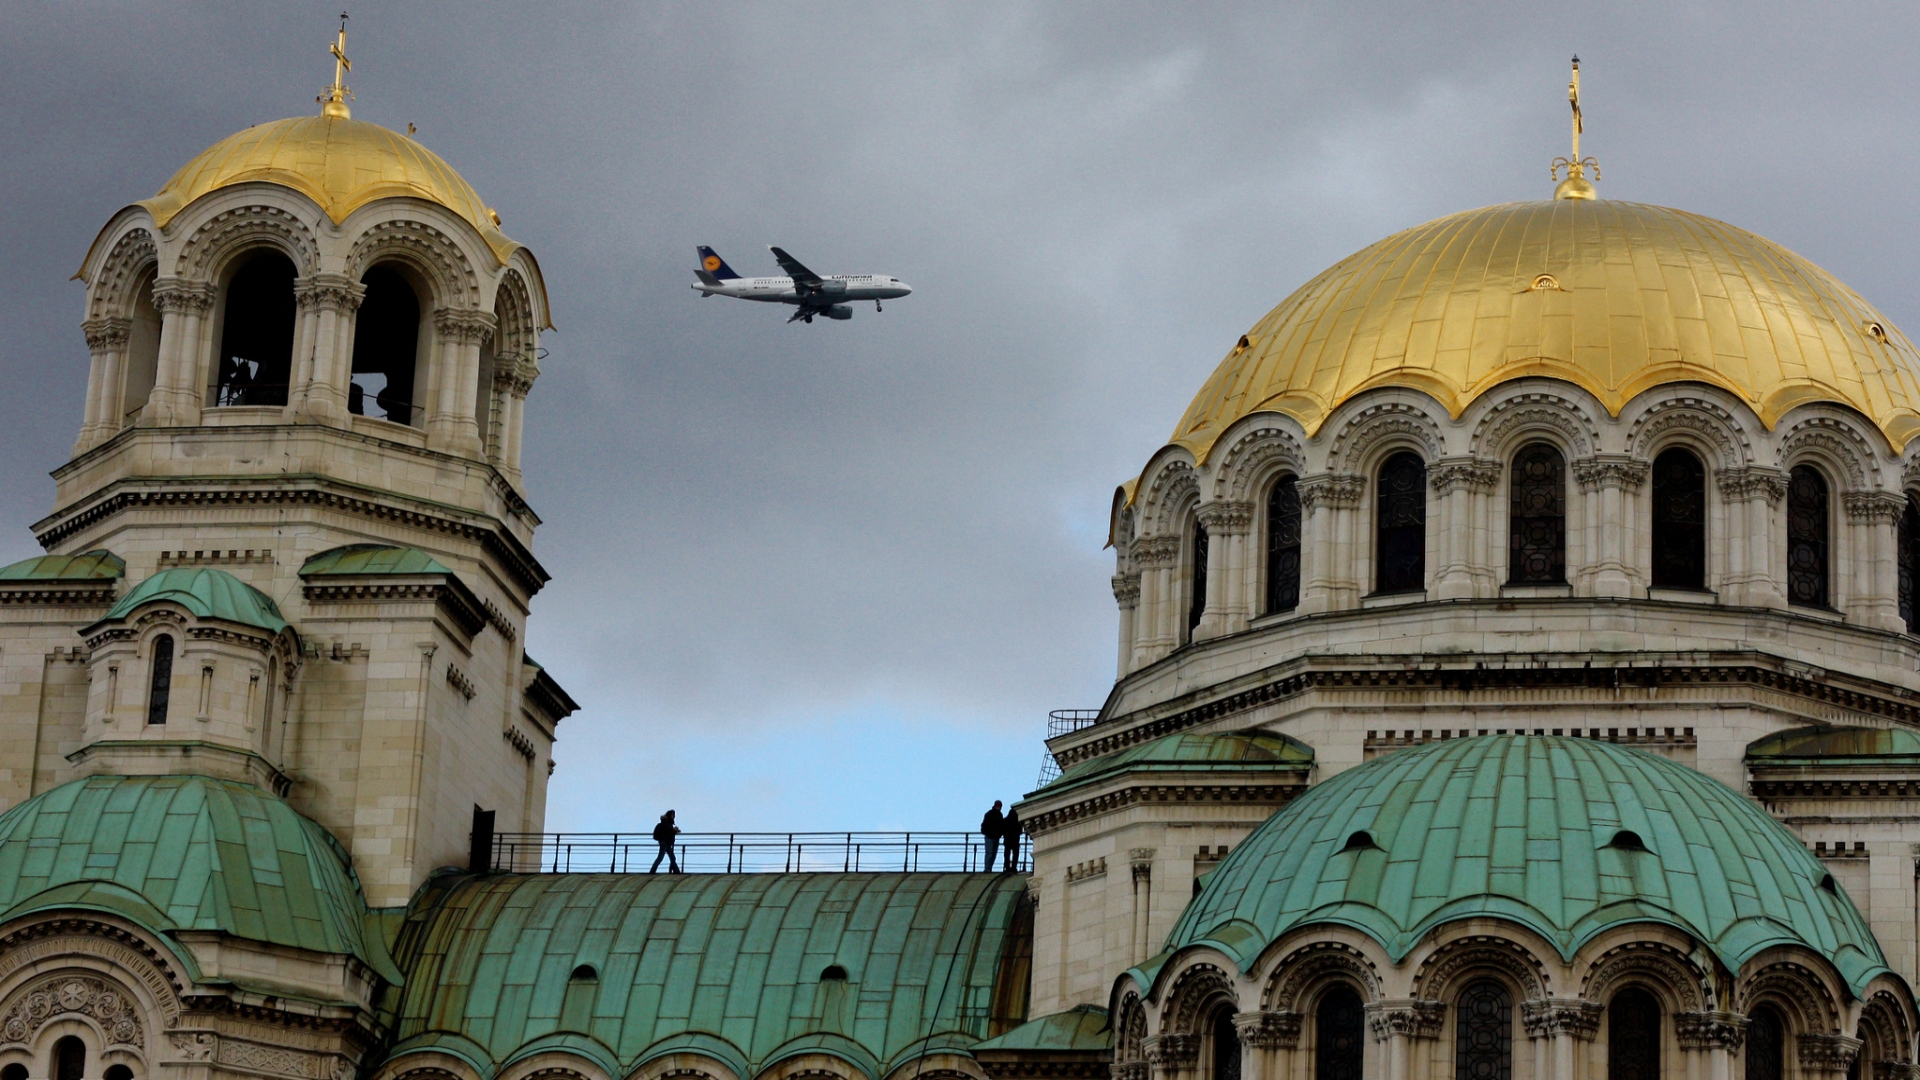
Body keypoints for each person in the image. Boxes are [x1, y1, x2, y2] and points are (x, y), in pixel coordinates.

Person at [980, 800, 1004, 872]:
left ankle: (988, 868)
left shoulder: (997, 815)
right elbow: (984, 826)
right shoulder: (990, 814)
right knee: (990, 853)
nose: (998, 807)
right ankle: (987, 868)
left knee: (992, 854)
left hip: (994, 837)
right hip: (990, 837)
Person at [1000, 807, 1023, 872]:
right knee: (1015, 854)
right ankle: (1014, 867)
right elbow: (1020, 832)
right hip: (1015, 841)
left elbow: (1002, 830)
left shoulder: (1005, 820)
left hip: (1007, 841)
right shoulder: (1018, 822)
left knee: (1007, 854)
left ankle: (1007, 867)